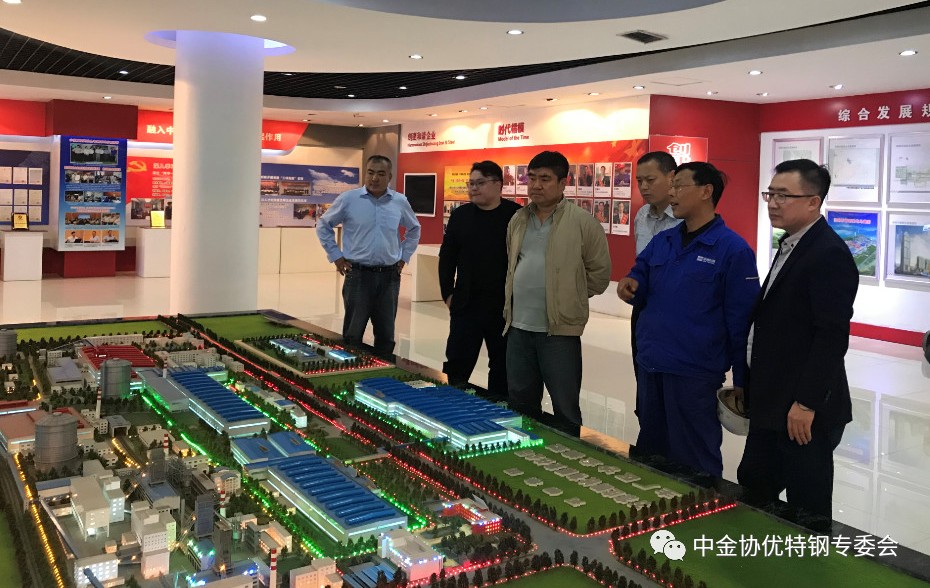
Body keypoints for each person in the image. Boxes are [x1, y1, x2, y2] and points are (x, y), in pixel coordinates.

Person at [738, 159, 858, 531]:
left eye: (783, 195)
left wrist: (806, 403)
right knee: (755, 483)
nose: (773, 203)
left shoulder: (828, 253)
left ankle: (812, 563)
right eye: (770, 194)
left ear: (813, 202)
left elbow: (831, 336)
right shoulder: (793, 244)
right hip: (773, 399)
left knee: (808, 505)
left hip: (802, 410)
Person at [617, 161, 759, 477]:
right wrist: (631, 284)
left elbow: (742, 323)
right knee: (651, 455)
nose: (672, 193)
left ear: (706, 191)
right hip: (652, 365)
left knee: (694, 460)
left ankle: (700, 507)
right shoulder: (663, 241)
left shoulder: (732, 250)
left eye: (679, 186)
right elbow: (640, 274)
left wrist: (743, 380)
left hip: (694, 373)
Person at [504, 151, 611, 436]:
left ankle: (568, 457)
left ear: (563, 183)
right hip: (518, 327)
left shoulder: (582, 222)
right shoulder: (518, 219)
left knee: (565, 408)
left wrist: (569, 296)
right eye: (532, 178)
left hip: (559, 331)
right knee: (520, 404)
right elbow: (513, 264)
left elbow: (599, 274)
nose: (536, 185)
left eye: (545, 179)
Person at [316, 155, 421, 356]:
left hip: (389, 277)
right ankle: (351, 372)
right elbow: (323, 225)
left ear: (389, 176)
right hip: (358, 276)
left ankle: (384, 371)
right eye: (370, 173)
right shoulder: (349, 199)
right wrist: (336, 256)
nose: (374, 178)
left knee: (386, 337)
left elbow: (414, 229)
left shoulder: (399, 201)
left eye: (381, 174)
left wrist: (403, 257)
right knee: (352, 335)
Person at [439, 161, 521, 400]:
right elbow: (447, 257)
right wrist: (448, 294)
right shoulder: (460, 216)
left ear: (498, 185)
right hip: (466, 304)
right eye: (471, 184)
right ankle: (453, 407)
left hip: (503, 308)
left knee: (502, 367)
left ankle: (497, 411)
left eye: (480, 183)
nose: (473, 188)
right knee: (458, 364)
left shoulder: (516, 216)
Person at [621, 151, 682, 388]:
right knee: (643, 375)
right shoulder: (642, 215)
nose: (644, 187)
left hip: (675, 310)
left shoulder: (684, 219)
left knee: (672, 384)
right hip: (644, 308)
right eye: (639, 181)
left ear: (671, 177)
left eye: (650, 180)